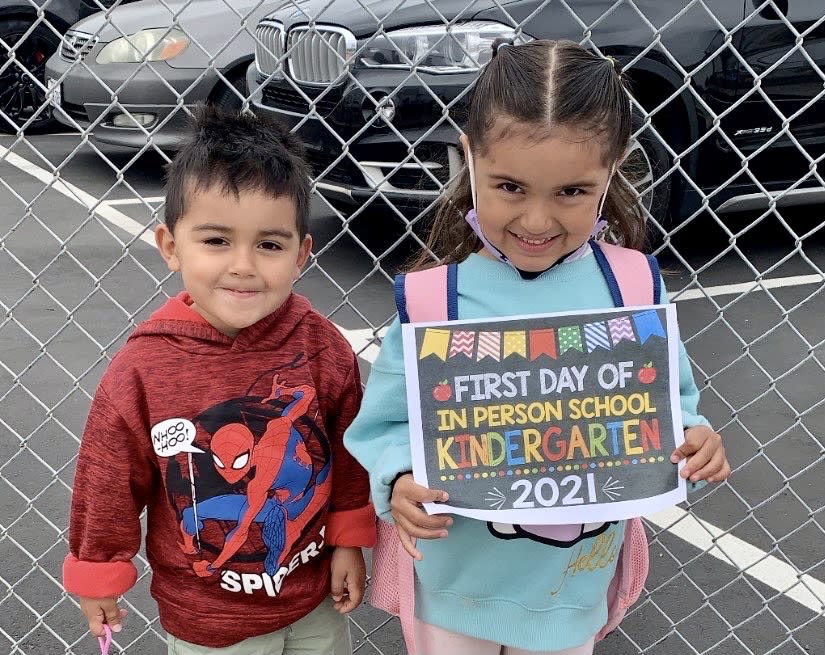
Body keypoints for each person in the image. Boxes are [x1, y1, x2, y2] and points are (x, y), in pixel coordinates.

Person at [344, 39, 731, 655]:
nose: (536, 221)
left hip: (570, 590)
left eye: (572, 192)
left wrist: (696, 435)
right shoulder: (432, 302)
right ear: (468, 157)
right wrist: (399, 480)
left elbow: (668, 403)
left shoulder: (630, 286)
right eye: (510, 187)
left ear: (614, 170)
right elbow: (386, 425)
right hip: (455, 585)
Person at [63, 106, 376, 655]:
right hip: (205, 618)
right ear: (170, 245)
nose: (243, 265)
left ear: (302, 253)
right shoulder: (145, 367)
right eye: (216, 241)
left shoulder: (321, 346)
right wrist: (99, 567)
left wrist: (348, 539)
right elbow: (108, 478)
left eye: (270, 245)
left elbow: (349, 452)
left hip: (311, 599)